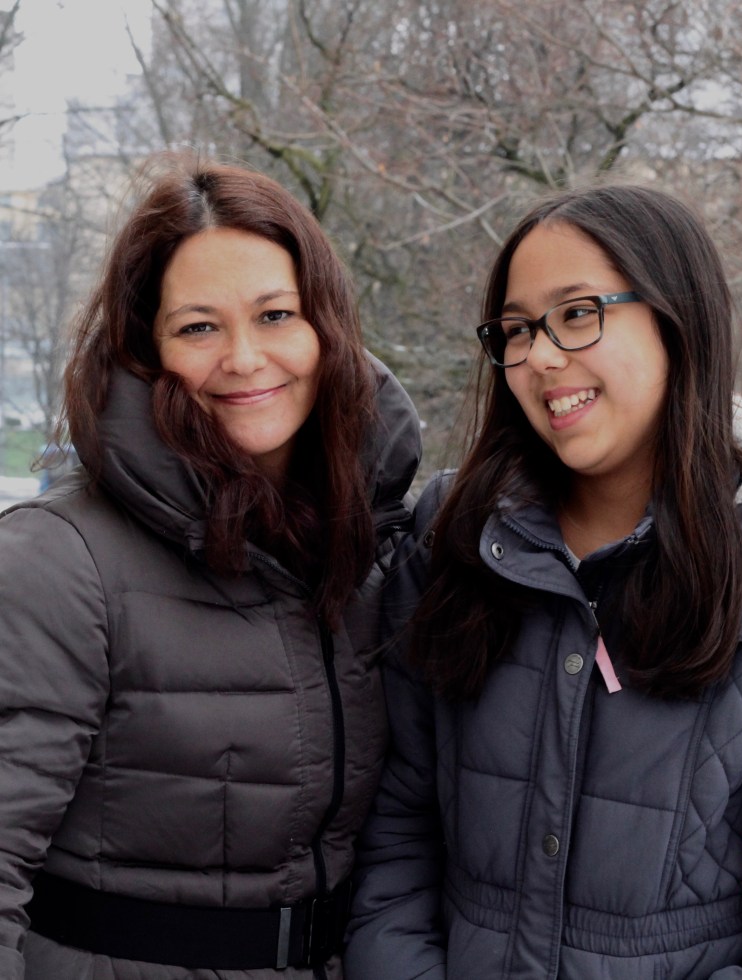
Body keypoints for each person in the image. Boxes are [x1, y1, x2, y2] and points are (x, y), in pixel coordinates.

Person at [344, 183, 742, 978]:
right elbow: (396, 829)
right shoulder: (454, 541)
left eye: (577, 313)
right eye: (518, 329)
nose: (541, 356)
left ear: (677, 318)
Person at [0, 157, 422, 979]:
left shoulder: (376, 550)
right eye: (198, 327)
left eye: (275, 315)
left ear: (326, 327)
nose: (243, 357)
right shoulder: (60, 562)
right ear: (144, 349)